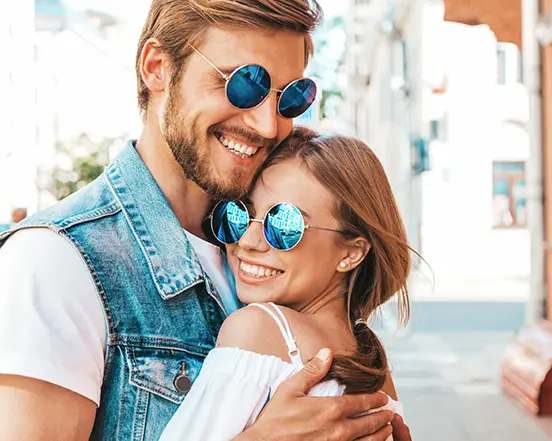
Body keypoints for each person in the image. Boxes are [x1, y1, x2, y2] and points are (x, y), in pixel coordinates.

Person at [0, 1, 410, 440]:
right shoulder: (54, 262)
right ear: (157, 67)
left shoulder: (258, 251)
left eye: (290, 99)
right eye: (243, 85)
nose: (268, 125)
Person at [159, 128, 411, 440]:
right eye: (240, 214)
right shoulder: (374, 366)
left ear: (351, 252)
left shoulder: (258, 330)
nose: (248, 241)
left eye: (283, 224)